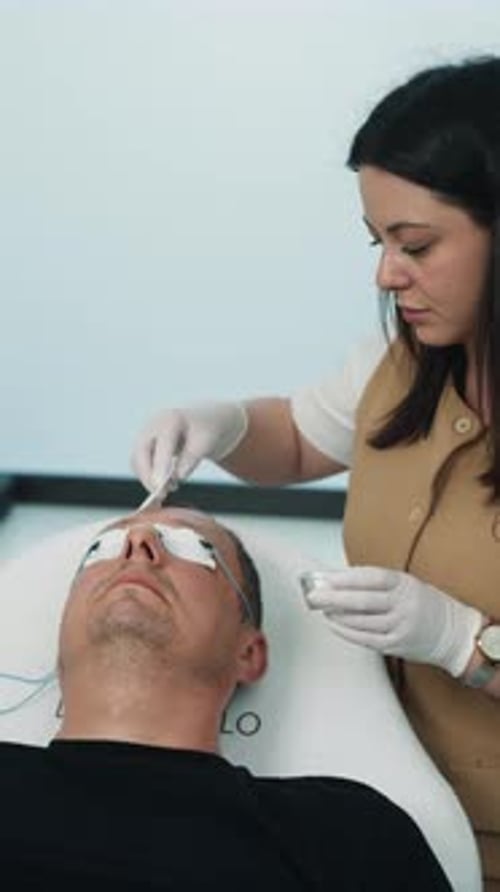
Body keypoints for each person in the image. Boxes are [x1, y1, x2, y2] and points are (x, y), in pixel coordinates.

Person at [131, 56, 500, 889]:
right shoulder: (405, 363)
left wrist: (464, 642)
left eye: (416, 246)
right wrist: (219, 423)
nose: (385, 275)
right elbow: (294, 439)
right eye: (378, 243)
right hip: (383, 797)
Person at [0, 506, 449, 890]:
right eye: (100, 550)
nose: (138, 543)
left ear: (248, 652)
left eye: (191, 546)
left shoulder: (348, 833)